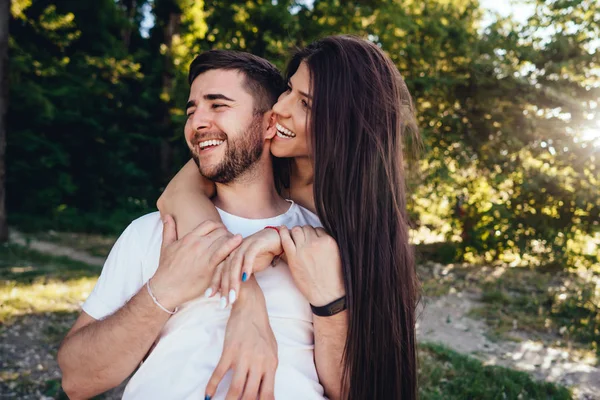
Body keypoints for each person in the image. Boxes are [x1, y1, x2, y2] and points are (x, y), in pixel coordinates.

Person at [57, 50, 342, 400]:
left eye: (217, 105)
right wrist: (162, 291)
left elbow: (351, 387)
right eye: (192, 111)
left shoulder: (323, 241)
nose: (197, 123)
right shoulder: (154, 231)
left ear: (269, 123)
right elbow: (76, 381)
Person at [159, 35, 420, 399]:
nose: (279, 108)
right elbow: (178, 194)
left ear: (344, 124)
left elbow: (357, 387)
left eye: (306, 104)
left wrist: (287, 245)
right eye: (288, 91)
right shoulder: (258, 159)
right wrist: (245, 293)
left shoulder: (367, 226)